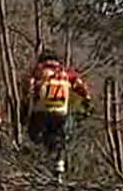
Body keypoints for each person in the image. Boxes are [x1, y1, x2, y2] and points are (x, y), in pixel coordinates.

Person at [23, 49, 91, 179]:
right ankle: (58, 169)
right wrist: (87, 101)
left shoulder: (39, 71)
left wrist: (25, 103)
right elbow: (81, 87)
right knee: (60, 140)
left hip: (41, 111)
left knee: (34, 136)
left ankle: (38, 164)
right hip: (61, 112)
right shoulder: (66, 73)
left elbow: (28, 87)